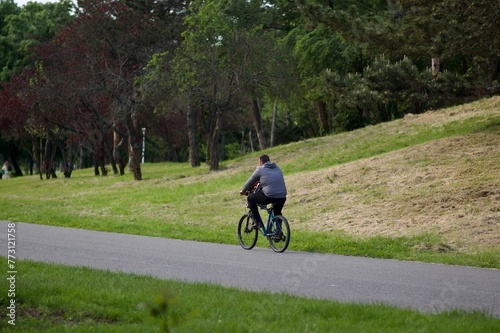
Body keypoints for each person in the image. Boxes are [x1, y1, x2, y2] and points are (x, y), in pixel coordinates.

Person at [240, 155, 287, 229]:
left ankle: (258, 222)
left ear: (261, 162)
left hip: (269, 195)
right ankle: (278, 232)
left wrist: (243, 190)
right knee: (277, 212)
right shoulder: (277, 168)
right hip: (282, 196)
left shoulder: (260, 169)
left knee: (250, 198)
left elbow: (251, 180)